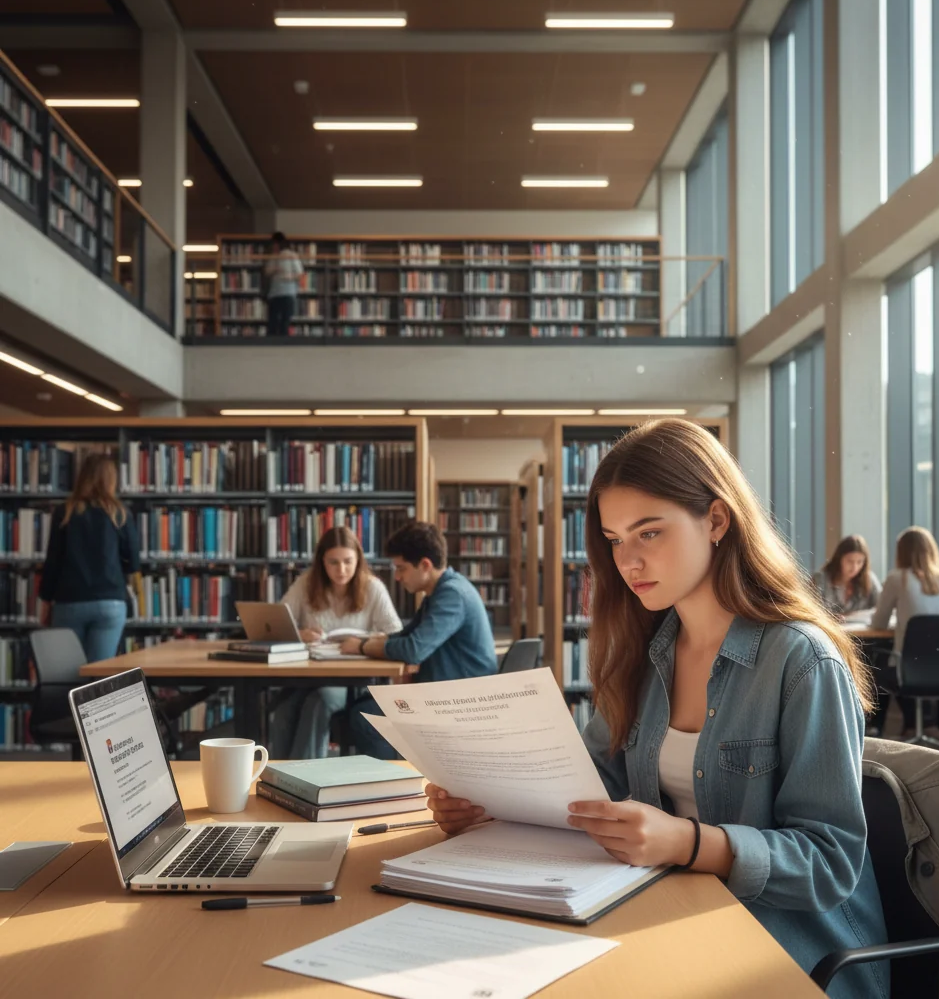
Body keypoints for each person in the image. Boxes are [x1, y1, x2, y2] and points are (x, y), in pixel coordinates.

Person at [425, 419, 888, 999]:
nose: (628, 562)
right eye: (616, 540)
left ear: (716, 520)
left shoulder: (802, 662)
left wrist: (688, 842)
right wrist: (490, 803)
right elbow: (594, 784)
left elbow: (831, 860)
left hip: (791, 954)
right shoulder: (646, 652)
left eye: (649, 533)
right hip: (672, 912)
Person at [341, 521, 497, 758]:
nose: (397, 577)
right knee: (360, 705)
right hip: (447, 696)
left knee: (365, 717)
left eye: (401, 568)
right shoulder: (439, 593)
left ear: (425, 565)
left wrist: (363, 646)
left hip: (459, 705)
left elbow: (413, 649)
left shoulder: (452, 595)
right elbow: (406, 636)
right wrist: (376, 641)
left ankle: (396, 783)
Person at [270, 526, 402, 760]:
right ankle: (274, 776)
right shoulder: (306, 583)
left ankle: (303, 778)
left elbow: (396, 634)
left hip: (354, 680)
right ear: (322, 561)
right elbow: (276, 624)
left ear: (358, 560)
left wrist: (363, 641)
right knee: (283, 711)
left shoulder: (372, 587)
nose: (341, 570)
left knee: (318, 703)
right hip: (306, 677)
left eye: (348, 561)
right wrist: (300, 634)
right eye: (333, 562)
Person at [39, 453, 139, 662]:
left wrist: (46, 601)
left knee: (68, 672)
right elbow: (133, 561)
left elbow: (53, 560)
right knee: (99, 675)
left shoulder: (65, 511)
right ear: (111, 479)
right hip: (110, 600)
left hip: (69, 600)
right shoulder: (120, 513)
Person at [868, 526, 939, 736]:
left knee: (876, 662)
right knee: (907, 660)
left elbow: (879, 623)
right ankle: (924, 724)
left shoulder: (898, 578)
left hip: (909, 669)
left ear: (901, 552)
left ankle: (875, 730)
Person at [811, 534, 882, 617]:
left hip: (861, 629)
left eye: (859, 562)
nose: (854, 567)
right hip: (826, 628)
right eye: (850, 561)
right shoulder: (820, 579)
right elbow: (810, 611)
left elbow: (882, 607)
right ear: (839, 559)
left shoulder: (869, 579)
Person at [263, 231, 303, 336]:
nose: (273, 246)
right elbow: (267, 272)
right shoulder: (273, 257)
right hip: (274, 293)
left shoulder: (292, 255)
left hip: (287, 292)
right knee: (272, 322)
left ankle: (283, 345)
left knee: (285, 321)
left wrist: (289, 277)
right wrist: (275, 268)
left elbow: (300, 273)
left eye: (275, 244)